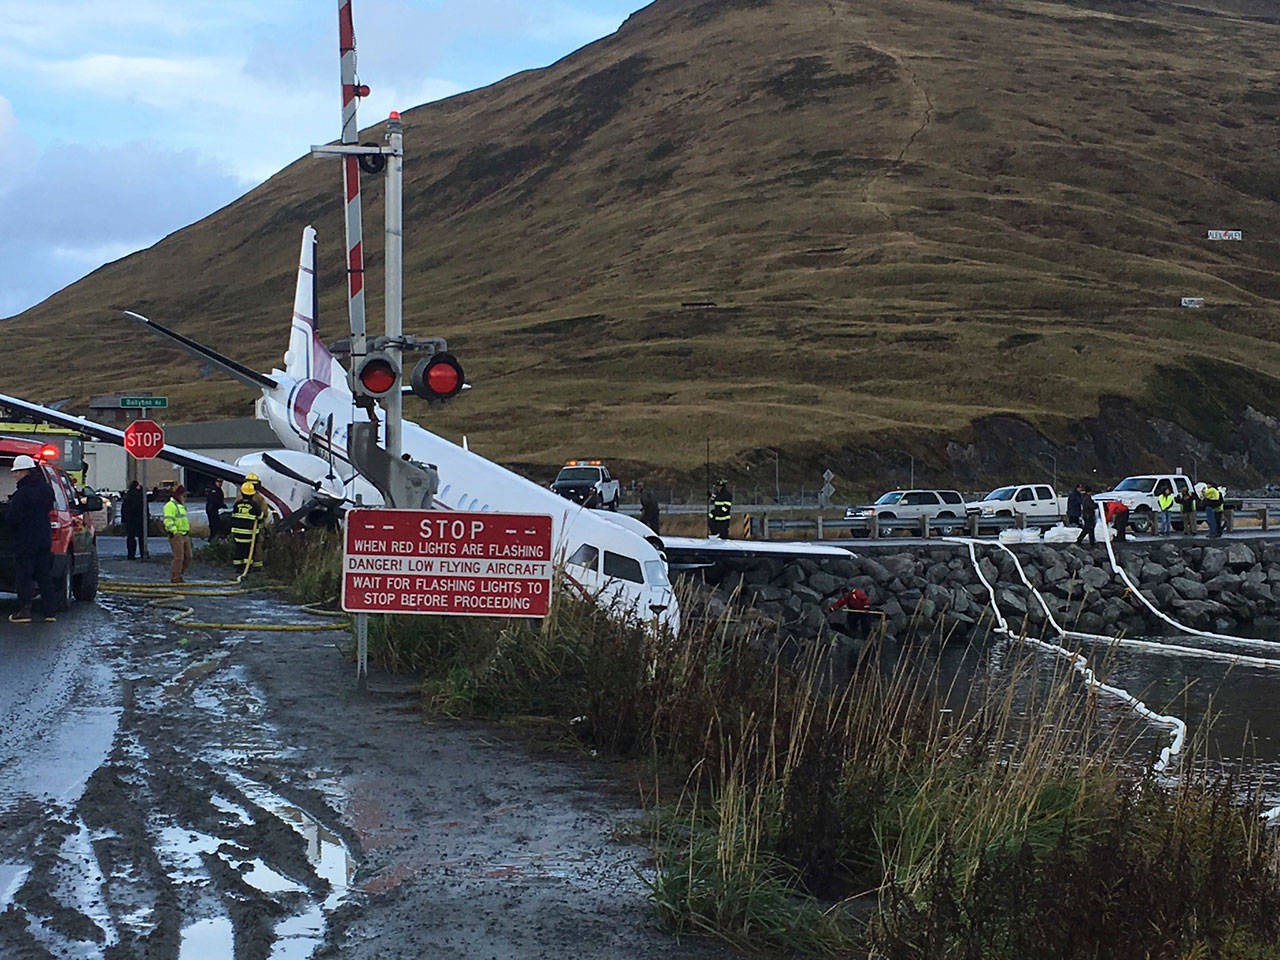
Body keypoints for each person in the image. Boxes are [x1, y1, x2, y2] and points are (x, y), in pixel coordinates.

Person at [6, 455, 60, 623]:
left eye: (16, 472)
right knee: (44, 575)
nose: (15, 475)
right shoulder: (46, 489)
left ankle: (24, 611)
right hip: (43, 539)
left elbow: (12, 517)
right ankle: (50, 612)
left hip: (25, 541)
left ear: (23, 472)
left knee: (24, 576)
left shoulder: (22, 494)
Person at [230, 482, 266, 575]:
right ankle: (247, 569)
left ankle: (238, 568)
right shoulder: (254, 505)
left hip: (237, 533)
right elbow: (261, 516)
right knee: (248, 552)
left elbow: (233, 516)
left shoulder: (237, 504)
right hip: (249, 534)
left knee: (239, 550)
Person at [162, 484, 192, 584]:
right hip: (176, 535)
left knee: (188, 556)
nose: (185, 498)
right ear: (178, 495)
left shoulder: (180, 506)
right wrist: (174, 532)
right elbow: (168, 521)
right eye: (183, 495)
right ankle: (175, 578)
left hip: (184, 534)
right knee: (179, 557)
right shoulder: (170, 506)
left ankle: (179, 575)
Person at [122, 480, 147, 559]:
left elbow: (124, 509)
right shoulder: (140, 495)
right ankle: (143, 553)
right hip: (139, 519)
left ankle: (131, 555)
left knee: (131, 537)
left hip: (130, 520)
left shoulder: (128, 495)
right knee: (141, 537)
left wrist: (124, 519)